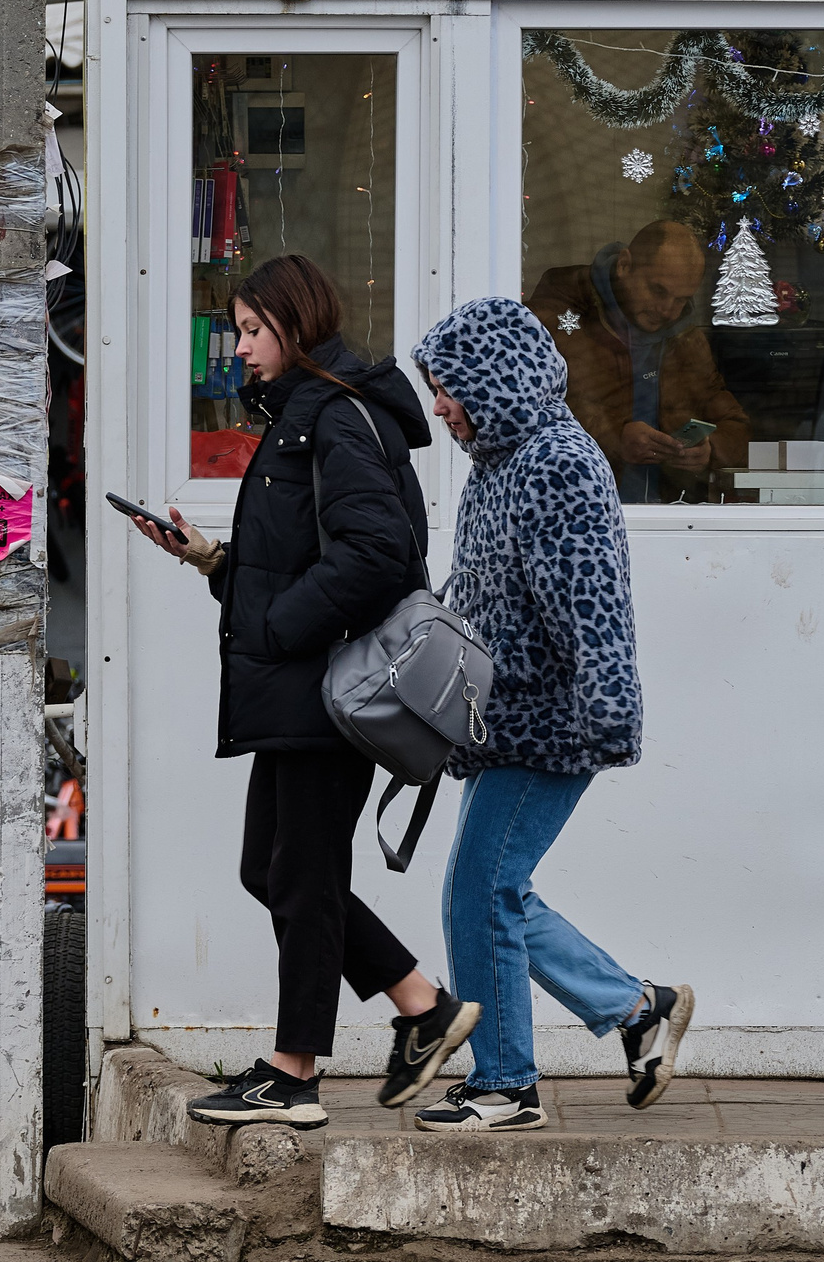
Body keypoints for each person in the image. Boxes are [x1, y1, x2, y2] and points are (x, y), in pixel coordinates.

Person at [127, 253, 479, 1130]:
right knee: (272, 867)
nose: (242, 348)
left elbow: (376, 556)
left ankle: (294, 1073)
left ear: (296, 322)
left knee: (304, 873)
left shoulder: (336, 419)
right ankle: (421, 1002)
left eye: (253, 330)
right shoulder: (301, 417)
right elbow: (300, 557)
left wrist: (283, 626)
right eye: (238, 331)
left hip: (328, 691)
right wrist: (211, 559)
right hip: (300, 691)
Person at [405, 297, 694, 1132]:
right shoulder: (499, 464)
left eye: (448, 387)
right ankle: (637, 1008)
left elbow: (593, 606)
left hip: (552, 721)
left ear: (492, 379)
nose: (439, 406)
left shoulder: (558, 464)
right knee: (494, 891)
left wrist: (606, 713)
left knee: (479, 887)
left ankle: (505, 1083)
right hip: (500, 720)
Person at [526, 220, 750, 502]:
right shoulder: (556, 317)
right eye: (658, 291)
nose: (667, 310)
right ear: (624, 266)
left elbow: (735, 424)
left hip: (667, 514)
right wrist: (616, 439)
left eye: (681, 300)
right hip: (574, 509)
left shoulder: (686, 340)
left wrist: (710, 450)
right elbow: (529, 407)